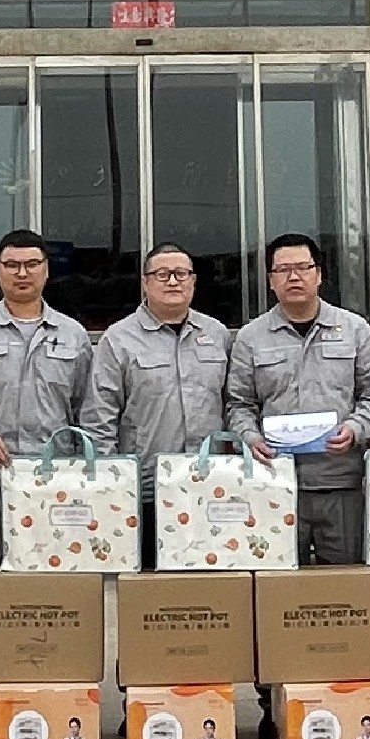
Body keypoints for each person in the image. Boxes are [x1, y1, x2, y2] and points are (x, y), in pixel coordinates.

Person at [225, 232, 370, 739]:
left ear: (320, 274)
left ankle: (344, 698)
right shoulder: (251, 338)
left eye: (303, 268)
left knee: (344, 597)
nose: (293, 277)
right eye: (283, 270)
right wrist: (250, 437)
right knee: (276, 600)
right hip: (276, 490)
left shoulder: (353, 329)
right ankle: (274, 705)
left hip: (340, 483)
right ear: (270, 280)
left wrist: (357, 429)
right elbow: (237, 404)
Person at [0, 230, 93, 569]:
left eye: (32, 264)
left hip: (56, 474)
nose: (22, 273)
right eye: (12, 265)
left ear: (46, 270)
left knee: (58, 568)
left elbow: (87, 407)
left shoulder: (73, 335)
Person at [79, 242, 230, 568]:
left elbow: (233, 404)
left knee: (210, 580)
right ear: (145, 283)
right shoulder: (118, 339)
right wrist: (110, 484)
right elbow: (99, 417)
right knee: (148, 584)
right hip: (145, 488)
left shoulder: (217, 334)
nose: (173, 281)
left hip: (210, 484)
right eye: (162, 274)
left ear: (193, 281)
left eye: (181, 274)